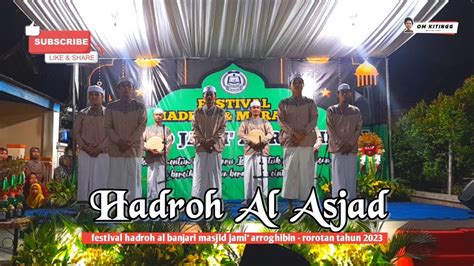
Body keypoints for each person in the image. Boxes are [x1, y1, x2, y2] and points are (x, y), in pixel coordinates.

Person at [278, 74, 318, 211]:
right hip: (291, 142)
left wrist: (303, 133)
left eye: (300, 82)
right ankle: (290, 206)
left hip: (306, 141)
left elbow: (313, 120)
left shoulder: (310, 102)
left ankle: (307, 205)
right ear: (290, 85)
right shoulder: (284, 103)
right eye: (295, 82)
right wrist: (294, 133)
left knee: (306, 174)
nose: (298, 84)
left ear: (303, 85)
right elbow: (281, 121)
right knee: (290, 173)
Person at [105, 77, 147, 201]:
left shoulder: (139, 106)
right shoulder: (111, 107)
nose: (126, 88)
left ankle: (133, 209)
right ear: (118, 89)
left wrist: (129, 142)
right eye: (123, 86)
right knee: (115, 180)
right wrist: (119, 141)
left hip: (133, 150)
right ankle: (114, 209)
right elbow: (108, 127)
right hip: (116, 149)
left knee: (133, 180)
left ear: (132, 88)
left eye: (128, 85)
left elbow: (142, 125)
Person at [326, 83, 363, 200]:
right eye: (342, 92)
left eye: (347, 92)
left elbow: (358, 128)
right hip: (337, 149)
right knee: (338, 177)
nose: (345, 94)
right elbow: (330, 129)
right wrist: (341, 144)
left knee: (351, 176)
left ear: (350, 94)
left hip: (351, 149)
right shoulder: (332, 110)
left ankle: (351, 202)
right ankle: (338, 203)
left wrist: (350, 144)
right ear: (338, 94)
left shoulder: (355, 110)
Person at [74, 85, 110, 202]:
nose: (94, 97)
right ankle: (83, 206)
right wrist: (85, 147)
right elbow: (77, 132)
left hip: (103, 153)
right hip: (85, 152)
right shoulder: (82, 114)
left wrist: (99, 148)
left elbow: (111, 133)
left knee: (101, 179)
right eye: (91, 94)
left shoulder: (109, 114)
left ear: (102, 97)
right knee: (84, 179)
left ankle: (100, 205)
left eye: (96, 94)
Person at [191, 85, 226, 200]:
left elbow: (222, 128)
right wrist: (203, 142)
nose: (209, 96)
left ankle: (215, 202)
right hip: (201, 148)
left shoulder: (220, 112)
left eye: (212, 94)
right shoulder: (198, 112)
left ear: (215, 96)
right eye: (207, 94)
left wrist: (212, 141)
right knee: (200, 175)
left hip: (215, 148)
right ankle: (198, 202)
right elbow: (195, 129)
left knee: (214, 175)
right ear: (203, 96)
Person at [237, 100, 274, 205]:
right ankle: (248, 199)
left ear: (260, 109)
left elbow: (270, 133)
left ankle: (263, 198)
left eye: (258, 107)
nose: (256, 109)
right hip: (250, 151)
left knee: (262, 175)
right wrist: (250, 142)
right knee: (249, 176)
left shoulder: (265, 122)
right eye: (254, 108)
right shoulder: (246, 122)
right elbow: (240, 133)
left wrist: (262, 142)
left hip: (262, 152)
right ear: (250, 109)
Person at [143, 108, 173, 200]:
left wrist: (162, 152)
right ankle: (150, 200)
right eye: (157, 114)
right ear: (153, 116)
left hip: (161, 159)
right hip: (151, 158)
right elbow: (142, 142)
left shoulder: (166, 129)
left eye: (160, 115)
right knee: (150, 180)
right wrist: (149, 149)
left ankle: (161, 201)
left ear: (163, 116)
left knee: (161, 180)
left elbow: (168, 143)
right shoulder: (147, 129)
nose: (158, 116)